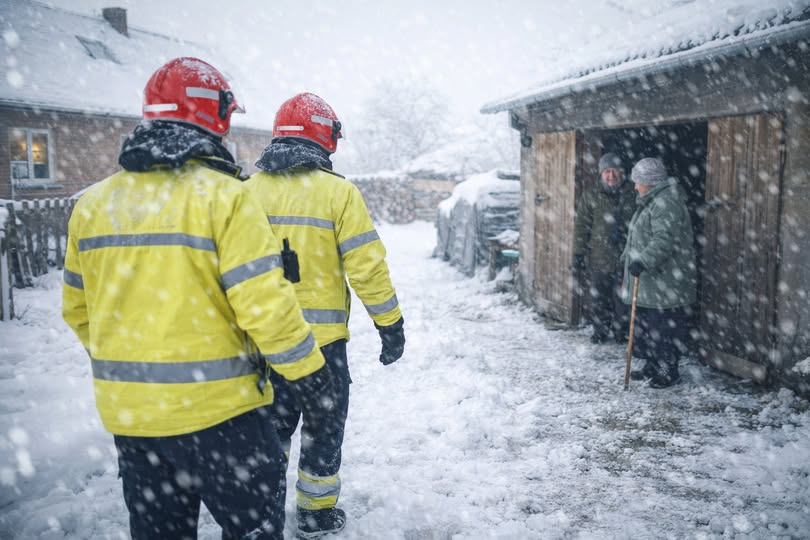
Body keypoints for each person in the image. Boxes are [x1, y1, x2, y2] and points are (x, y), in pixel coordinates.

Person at [62, 58, 339, 539]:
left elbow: (78, 311)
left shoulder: (91, 205)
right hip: (223, 418)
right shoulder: (227, 198)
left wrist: (139, 365)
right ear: (218, 116)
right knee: (252, 530)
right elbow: (265, 307)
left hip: (134, 422)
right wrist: (310, 375)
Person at [245, 92, 405, 539]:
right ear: (325, 136)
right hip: (322, 347)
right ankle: (315, 515)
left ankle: (263, 516)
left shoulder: (243, 193)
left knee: (268, 437)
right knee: (322, 433)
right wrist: (389, 324)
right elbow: (367, 266)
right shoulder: (339, 193)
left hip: (262, 344)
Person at [620, 157, 697, 389]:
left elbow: (664, 241)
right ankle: (653, 365)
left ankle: (667, 369)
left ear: (650, 182)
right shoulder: (653, 201)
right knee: (648, 326)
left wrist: (642, 261)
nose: (635, 186)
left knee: (662, 328)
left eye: (638, 182)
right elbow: (640, 236)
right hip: (653, 282)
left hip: (666, 281)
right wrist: (627, 257)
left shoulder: (666, 203)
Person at [573, 152, 637, 343]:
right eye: (607, 171)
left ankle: (622, 332)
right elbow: (581, 226)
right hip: (599, 256)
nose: (611, 176)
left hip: (626, 256)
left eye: (615, 171)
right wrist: (578, 253)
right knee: (599, 297)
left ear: (623, 173)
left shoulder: (633, 194)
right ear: (601, 174)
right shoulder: (591, 195)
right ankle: (600, 330)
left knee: (623, 299)